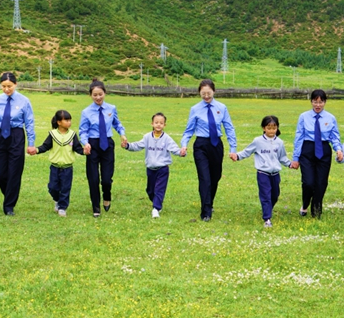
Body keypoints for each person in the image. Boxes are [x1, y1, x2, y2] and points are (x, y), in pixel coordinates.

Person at [179, 79, 237, 221]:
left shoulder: (222, 108)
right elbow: (189, 130)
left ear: (214, 92)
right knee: (205, 178)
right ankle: (205, 211)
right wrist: (184, 144)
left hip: (216, 145)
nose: (206, 96)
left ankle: (209, 203)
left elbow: (229, 127)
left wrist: (233, 148)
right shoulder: (195, 109)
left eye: (208, 93)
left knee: (215, 177)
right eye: (203, 93)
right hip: (201, 146)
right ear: (199, 93)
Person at [0, 72, 36, 216]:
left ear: (15, 85)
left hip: (17, 136)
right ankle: (9, 195)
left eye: (9, 86)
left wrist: (31, 143)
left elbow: (29, 123)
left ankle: (9, 206)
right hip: (0, 137)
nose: (6, 89)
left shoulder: (24, 101)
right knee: (1, 174)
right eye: (4, 86)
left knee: (14, 172)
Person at [290, 89, 343, 219]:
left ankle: (316, 209)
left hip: (323, 151)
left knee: (321, 182)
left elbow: (334, 136)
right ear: (311, 102)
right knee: (308, 182)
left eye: (321, 102)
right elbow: (299, 137)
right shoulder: (303, 117)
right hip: (307, 150)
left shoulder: (330, 118)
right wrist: (295, 158)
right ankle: (305, 204)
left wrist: (338, 149)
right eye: (315, 102)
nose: (318, 105)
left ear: (325, 102)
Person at [79, 79, 127, 217]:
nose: (98, 97)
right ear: (90, 95)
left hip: (107, 145)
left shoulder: (111, 108)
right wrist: (85, 143)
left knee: (106, 179)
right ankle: (96, 207)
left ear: (105, 93)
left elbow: (117, 124)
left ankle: (107, 197)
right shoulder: (86, 112)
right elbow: (83, 131)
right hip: (92, 146)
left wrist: (122, 134)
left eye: (100, 94)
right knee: (93, 178)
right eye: (95, 95)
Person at [232, 115, 291, 227]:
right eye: (269, 128)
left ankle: (267, 209)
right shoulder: (258, 141)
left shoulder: (279, 142)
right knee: (265, 195)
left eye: (274, 128)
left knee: (275, 195)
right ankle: (267, 219)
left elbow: (282, 157)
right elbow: (247, 151)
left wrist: (290, 164)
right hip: (263, 173)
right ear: (264, 128)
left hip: (275, 174)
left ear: (277, 128)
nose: (271, 131)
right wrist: (237, 156)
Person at [124, 112, 181, 219]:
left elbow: (175, 149)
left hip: (163, 169)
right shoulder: (147, 137)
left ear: (165, 125)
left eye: (161, 123)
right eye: (156, 122)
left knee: (159, 189)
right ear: (152, 124)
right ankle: (156, 202)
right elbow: (137, 146)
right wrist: (127, 146)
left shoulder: (167, 138)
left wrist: (181, 152)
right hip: (150, 169)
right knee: (150, 190)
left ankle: (156, 209)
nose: (158, 125)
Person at [35, 110, 84, 217]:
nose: (69, 122)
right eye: (66, 120)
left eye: (70, 120)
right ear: (59, 122)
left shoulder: (72, 135)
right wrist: (36, 150)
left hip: (67, 168)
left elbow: (78, 148)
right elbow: (45, 146)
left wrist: (85, 151)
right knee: (52, 187)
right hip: (55, 167)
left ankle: (62, 208)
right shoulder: (52, 134)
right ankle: (57, 200)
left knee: (65, 188)